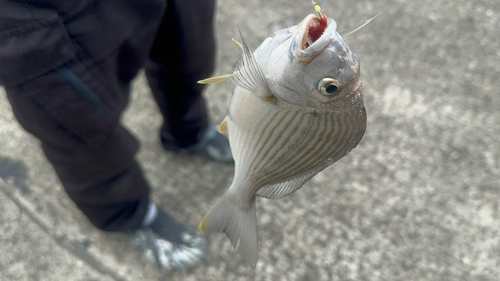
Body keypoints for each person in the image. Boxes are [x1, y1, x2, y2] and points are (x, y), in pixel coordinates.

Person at [0, 0, 231, 270]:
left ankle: (190, 131)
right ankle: (129, 214)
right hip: (37, 16)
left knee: (190, 51)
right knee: (81, 133)